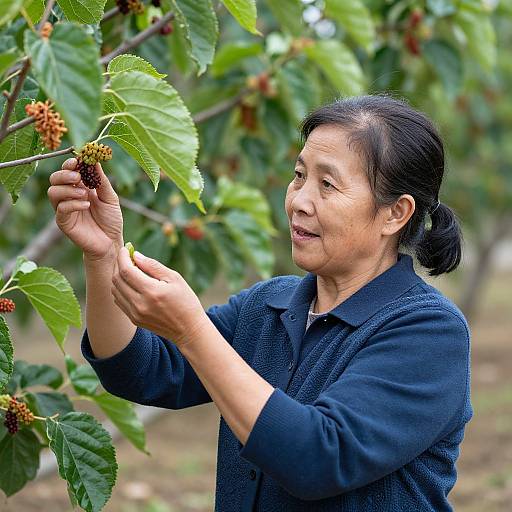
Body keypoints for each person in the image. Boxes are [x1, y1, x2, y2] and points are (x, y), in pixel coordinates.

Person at [47, 94, 472, 512]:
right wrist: (103, 255)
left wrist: (192, 332)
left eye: (327, 184)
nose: (299, 201)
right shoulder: (269, 305)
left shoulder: (429, 331)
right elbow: (139, 370)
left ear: (395, 214)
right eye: (299, 175)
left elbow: (318, 457)